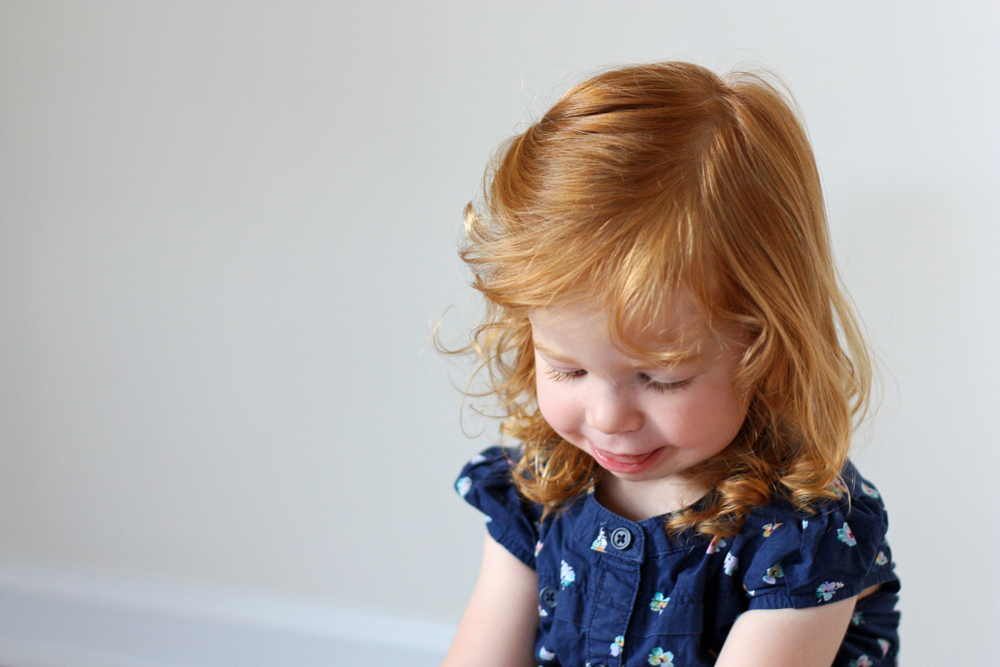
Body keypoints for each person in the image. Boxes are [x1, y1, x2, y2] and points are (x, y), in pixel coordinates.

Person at [442, 61, 900, 667]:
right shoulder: (538, 486)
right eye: (567, 371)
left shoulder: (802, 532)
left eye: (662, 380)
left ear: (766, 349)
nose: (608, 417)